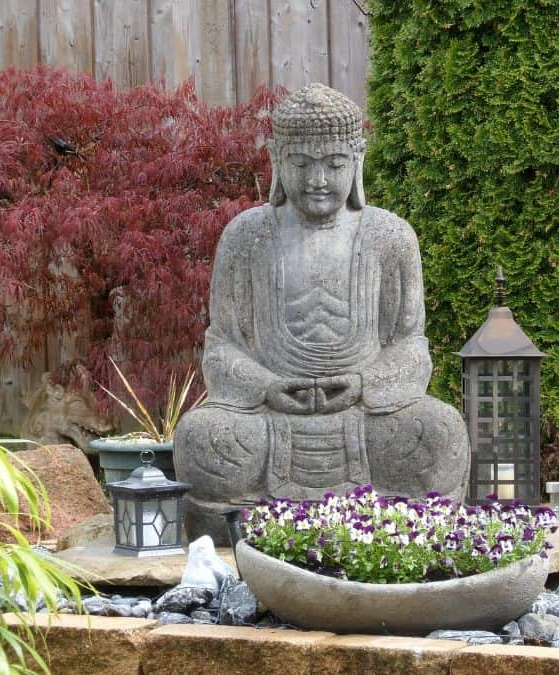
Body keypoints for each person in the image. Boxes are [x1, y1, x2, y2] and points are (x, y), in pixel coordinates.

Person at [174, 84, 469, 535]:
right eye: (301, 164)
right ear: (277, 160)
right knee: (201, 439)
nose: (318, 180)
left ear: (357, 159)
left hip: (365, 418)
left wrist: (362, 384)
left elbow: (411, 346)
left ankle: (328, 517)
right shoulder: (246, 236)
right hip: (270, 419)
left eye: (334, 165)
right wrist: (267, 386)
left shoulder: (390, 237)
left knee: (440, 432)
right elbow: (221, 347)